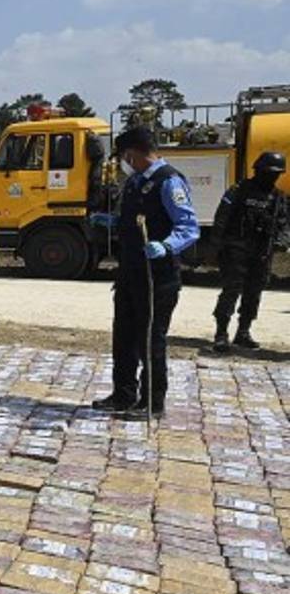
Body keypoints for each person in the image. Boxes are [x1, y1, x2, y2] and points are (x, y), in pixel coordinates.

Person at [92, 125, 200, 418]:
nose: (123, 163)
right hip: (129, 273)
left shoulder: (169, 182)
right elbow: (132, 220)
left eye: (123, 157)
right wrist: (111, 222)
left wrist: (166, 245)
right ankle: (123, 395)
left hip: (157, 277)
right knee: (124, 337)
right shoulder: (135, 182)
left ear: (132, 154)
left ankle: (152, 403)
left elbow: (188, 227)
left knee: (150, 340)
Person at [211, 151, 287, 352]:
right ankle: (221, 333)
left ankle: (243, 332)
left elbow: (284, 224)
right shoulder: (238, 191)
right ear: (258, 170)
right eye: (268, 172)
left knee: (253, 293)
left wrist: (280, 242)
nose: (272, 177)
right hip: (236, 250)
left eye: (276, 173)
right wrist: (218, 246)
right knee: (231, 291)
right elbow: (221, 219)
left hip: (261, 253)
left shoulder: (278, 198)